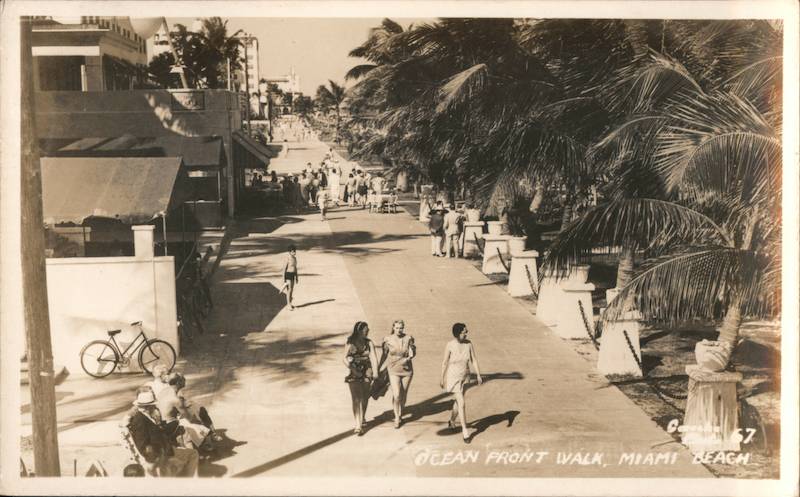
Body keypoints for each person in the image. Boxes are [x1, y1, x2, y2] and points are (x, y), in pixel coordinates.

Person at [126, 390, 199, 477]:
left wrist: (174, 423)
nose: (154, 407)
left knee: (189, 452)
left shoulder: (144, 416)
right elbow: (143, 445)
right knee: (193, 454)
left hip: (164, 450)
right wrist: (160, 458)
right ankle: (187, 482)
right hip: (160, 455)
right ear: (148, 407)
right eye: (153, 406)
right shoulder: (140, 421)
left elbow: (156, 432)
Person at [440, 323, 483, 443]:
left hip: (465, 376)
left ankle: (452, 420)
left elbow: (474, 359)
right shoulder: (449, 345)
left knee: (458, 401)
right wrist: (442, 378)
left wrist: (478, 375)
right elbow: (444, 362)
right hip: (453, 377)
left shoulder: (469, 344)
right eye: (464, 331)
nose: (466, 333)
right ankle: (465, 431)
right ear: (458, 333)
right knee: (462, 403)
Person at [156, 372, 217, 454]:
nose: (184, 380)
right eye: (183, 379)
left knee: (196, 411)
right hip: (170, 425)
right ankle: (199, 447)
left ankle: (207, 438)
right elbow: (190, 418)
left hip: (162, 421)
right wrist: (200, 423)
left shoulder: (165, 391)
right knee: (196, 419)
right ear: (178, 382)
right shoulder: (175, 399)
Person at [343, 321, 379, 435]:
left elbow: (373, 357)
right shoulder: (350, 342)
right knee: (355, 399)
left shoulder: (369, 343)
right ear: (359, 331)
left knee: (364, 397)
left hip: (367, 371)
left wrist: (376, 372)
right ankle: (358, 425)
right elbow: (344, 358)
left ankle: (362, 417)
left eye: (368, 330)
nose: (368, 331)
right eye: (366, 330)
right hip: (354, 371)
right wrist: (353, 369)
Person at [379, 320, 415, 428]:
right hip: (393, 369)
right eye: (397, 328)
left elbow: (413, 352)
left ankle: (400, 412)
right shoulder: (387, 339)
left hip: (406, 369)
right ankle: (397, 417)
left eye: (401, 328)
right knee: (397, 394)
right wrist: (380, 369)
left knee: (403, 394)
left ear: (403, 328)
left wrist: (409, 358)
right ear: (393, 328)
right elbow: (384, 355)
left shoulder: (409, 338)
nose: (399, 330)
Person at [278, 244, 299, 310]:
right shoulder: (287, 258)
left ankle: (290, 303)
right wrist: (283, 279)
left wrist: (297, 277)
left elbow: (295, 268)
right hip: (288, 274)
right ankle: (288, 304)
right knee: (289, 290)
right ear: (289, 252)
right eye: (293, 251)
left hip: (293, 275)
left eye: (295, 251)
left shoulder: (295, 258)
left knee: (291, 290)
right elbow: (284, 269)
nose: (294, 252)